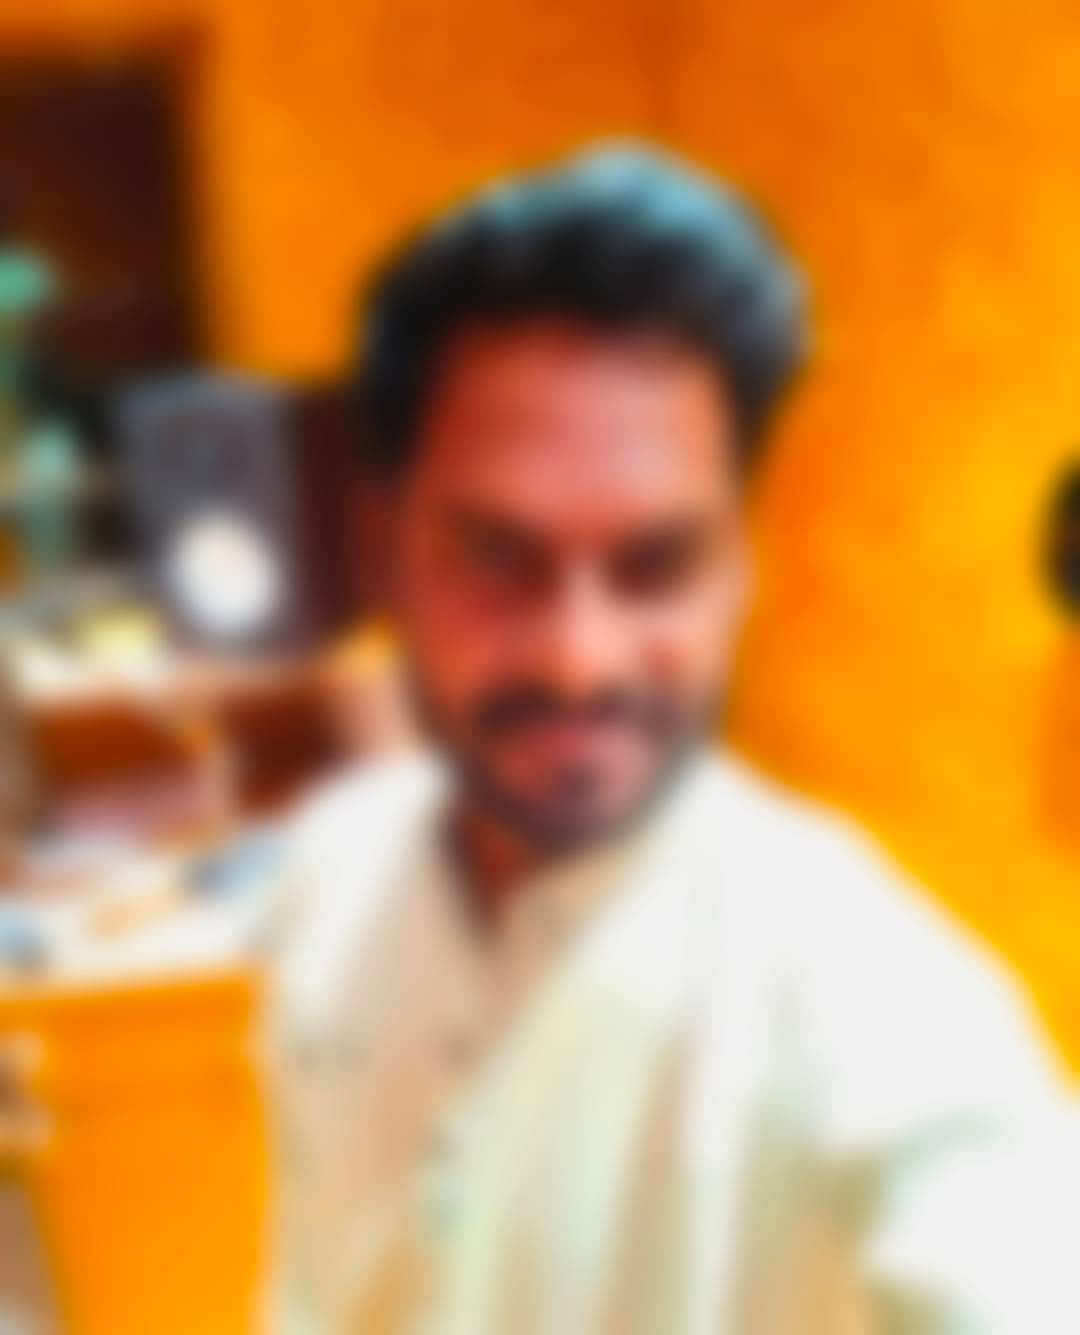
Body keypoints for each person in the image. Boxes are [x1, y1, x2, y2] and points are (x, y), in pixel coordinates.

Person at [264, 144, 1079, 1334]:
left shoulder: (870, 1002)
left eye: (659, 565)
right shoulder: (332, 869)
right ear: (382, 550)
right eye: (496, 557)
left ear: (740, 566)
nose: (579, 660)